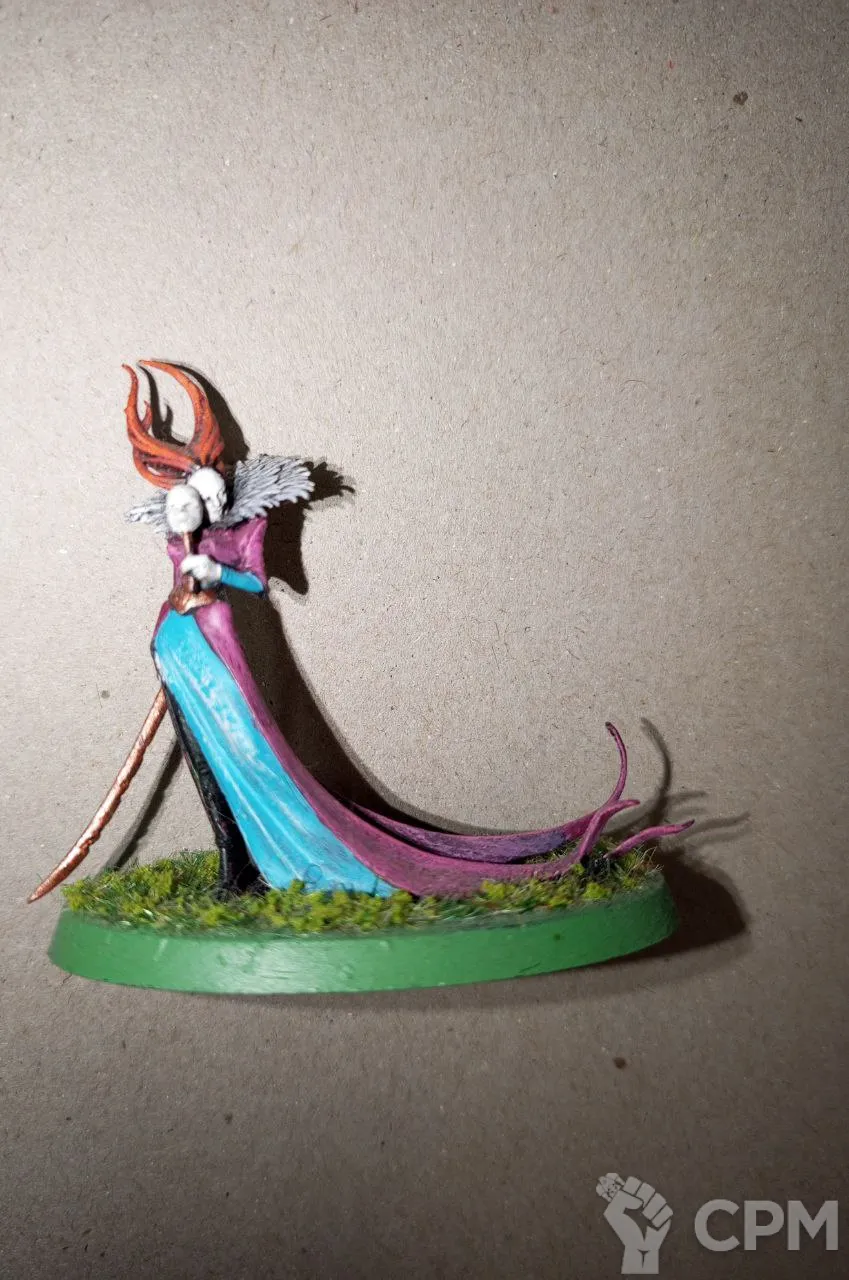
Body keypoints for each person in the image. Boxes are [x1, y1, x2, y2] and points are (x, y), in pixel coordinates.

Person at [127, 361, 691, 897]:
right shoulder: (180, 531)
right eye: (193, 496)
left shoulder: (243, 530)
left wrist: (216, 572)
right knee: (207, 760)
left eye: (210, 491)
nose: (204, 502)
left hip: (215, 650)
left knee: (251, 757)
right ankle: (233, 863)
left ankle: (272, 857)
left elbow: (255, 584)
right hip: (176, 645)